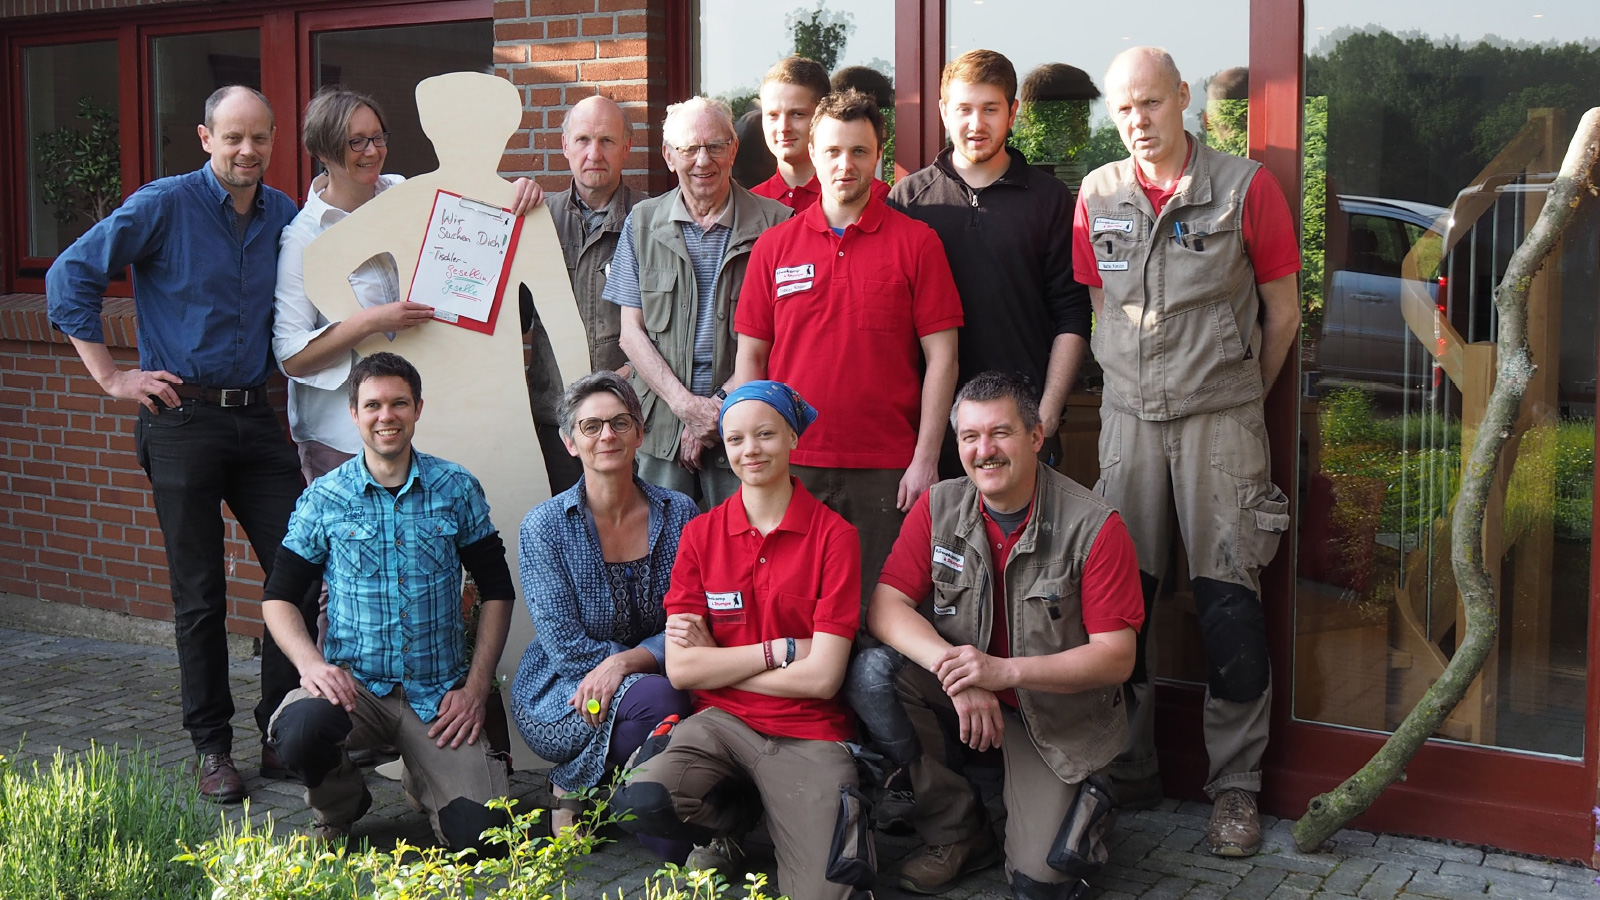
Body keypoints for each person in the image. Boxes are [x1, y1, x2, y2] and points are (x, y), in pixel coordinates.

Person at [46, 85, 314, 803]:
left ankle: (282, 731)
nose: (248, 151)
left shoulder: (284, 214)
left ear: (273, 137)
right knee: (199, 595)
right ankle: (212, 748)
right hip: (180, 419)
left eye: (259, 138)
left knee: (298, 574)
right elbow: (68, 275)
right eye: (233, 138)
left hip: (258, 420)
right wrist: (111, 376)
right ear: (205, 137)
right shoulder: (162, 204)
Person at [1073, 46, 1301, 857]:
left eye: (1152, 103)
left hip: (1220, 427)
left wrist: (1239, 390)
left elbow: (1283, 312)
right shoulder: (1097, 194)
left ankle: (1234, 790)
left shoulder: (1244, 188)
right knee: (1118, 602)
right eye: (1124, 107)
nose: (1139, 120)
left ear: (1183, 101)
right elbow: (1101, 303)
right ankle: (1122, 770)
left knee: (1228, 607)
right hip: (1129, 424)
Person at [844, 371, 1143, 898]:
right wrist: (960, 672)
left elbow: (1115, 658)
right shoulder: (939, 506)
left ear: (1035, 435)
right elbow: (886, 608)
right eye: (969, 437)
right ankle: (960, 831)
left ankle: (1088, 792)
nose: (985, 450)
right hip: (973, 692)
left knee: (1040, 883)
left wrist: (1003, 671)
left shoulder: (1094, 526)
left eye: (1000, 433)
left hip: (1053, 714)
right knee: (873, 673)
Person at [611, 381, 873, 900]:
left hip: (809, 733)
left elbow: (822, 680)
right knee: (640, 797)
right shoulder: (701, 535)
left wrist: (717, 659)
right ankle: (736, 820)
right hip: (721, 725)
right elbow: (683, 671)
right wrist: (779, 651)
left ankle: (804, 816)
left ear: (793, 438)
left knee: (827, 895)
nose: (750, 450)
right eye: (735, 440)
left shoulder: (834, 537)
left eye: (765, 434)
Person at [260, 352, 516, 853]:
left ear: (418, 408)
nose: (386, 416)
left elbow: (497, 588)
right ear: (353, 413)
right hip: (356, 692)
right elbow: (278, 597)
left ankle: (426, 779)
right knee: (299, 729)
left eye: (399, 403)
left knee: (482, 841)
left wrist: (475, 687)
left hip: (437, 696)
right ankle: (339, 805)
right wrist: (312, 666)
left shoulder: (455, 488)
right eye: (372, 405)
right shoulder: (325, 498)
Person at [733, 88, 962, 609]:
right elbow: (751, 360)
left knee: (876, 619)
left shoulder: (917, 242)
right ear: (813, 153)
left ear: (878, 155)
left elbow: (942, 359)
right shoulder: (774, 247)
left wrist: (925, 459)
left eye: (859, 151)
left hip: (886, 469)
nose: (845, 164)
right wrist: (751, 455)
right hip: (792, 464)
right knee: (791, 611)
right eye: (833, 151)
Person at [509, 371, 696, 855]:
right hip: (567, 690)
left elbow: (693, 618)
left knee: (676, 699)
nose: (606, 436)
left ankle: (588, 789)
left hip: (667, 673)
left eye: (619, 422)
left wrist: (624, 662)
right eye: (591, 427)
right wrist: (623, 667)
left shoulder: (681, 513)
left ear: (640, 431)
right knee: (659, 701)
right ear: (571, 443)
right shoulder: (545, 527)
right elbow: (567, 649)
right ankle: (583, 789)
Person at [889, 49, 1092, 478]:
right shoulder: (908, 200)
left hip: (1022, 430)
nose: (976, 124)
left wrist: (1046, 417)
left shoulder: (1049, 199)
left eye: (990, 109)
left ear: (1013, 112)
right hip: (932, 436)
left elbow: (1072, 316)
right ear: (944, 111)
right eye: (964, 109)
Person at [605, 97, 790, 509]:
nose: (702, 161)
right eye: (689, 149)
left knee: (743, 550)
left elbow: (782, 335)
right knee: (662, 550)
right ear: (669, 156)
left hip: (748, 421)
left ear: (734, 150)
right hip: (661, 423)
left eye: (715, 146)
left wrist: (717, 410)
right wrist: (686, 407)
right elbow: (630, 333)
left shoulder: (779, 224)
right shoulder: (641, 222)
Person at [522, 94, 649, 493]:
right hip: (555, 425)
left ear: (627, 146)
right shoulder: (535, 222)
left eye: (607, 141)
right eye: (582, 140)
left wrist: (634, 377)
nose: (594, 153)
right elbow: (510, 321)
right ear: (564, 146)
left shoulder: (651, 221)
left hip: (634, 420)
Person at [750, 57, 891, 212]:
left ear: (822, 115)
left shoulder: (873, 196)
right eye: (772, 115)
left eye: (797, 114)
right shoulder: (749, 205)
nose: (783, 127)